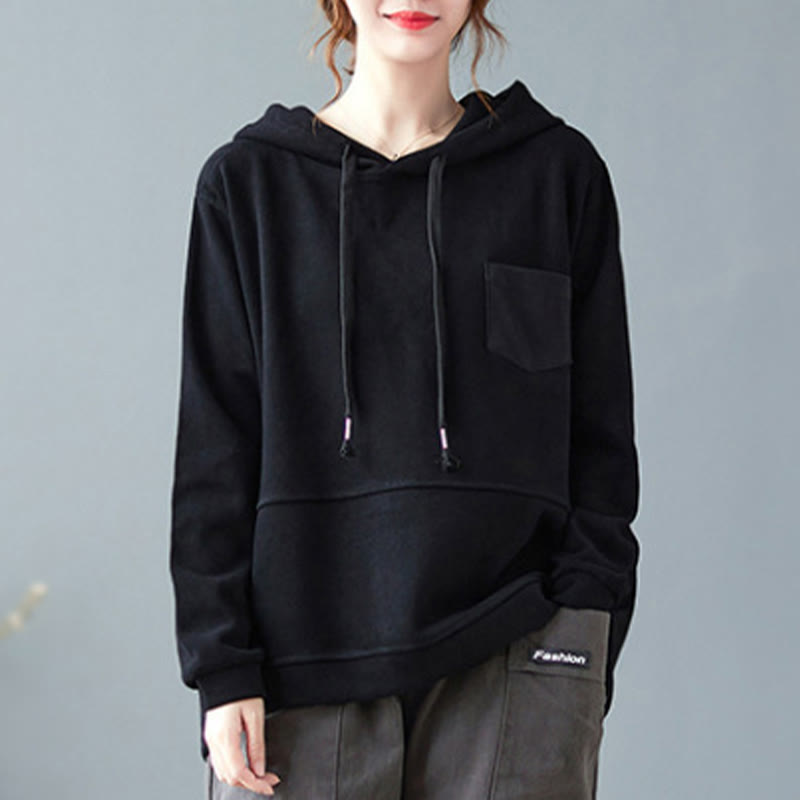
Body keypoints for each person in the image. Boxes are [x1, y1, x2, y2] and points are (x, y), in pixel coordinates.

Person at [169, 1, 641, 797]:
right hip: (300, 666)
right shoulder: (249, 185)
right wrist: (221, 665)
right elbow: (216, 448)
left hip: (516, 652)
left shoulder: (557, 174)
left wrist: (580, 631)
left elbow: (601, 436)